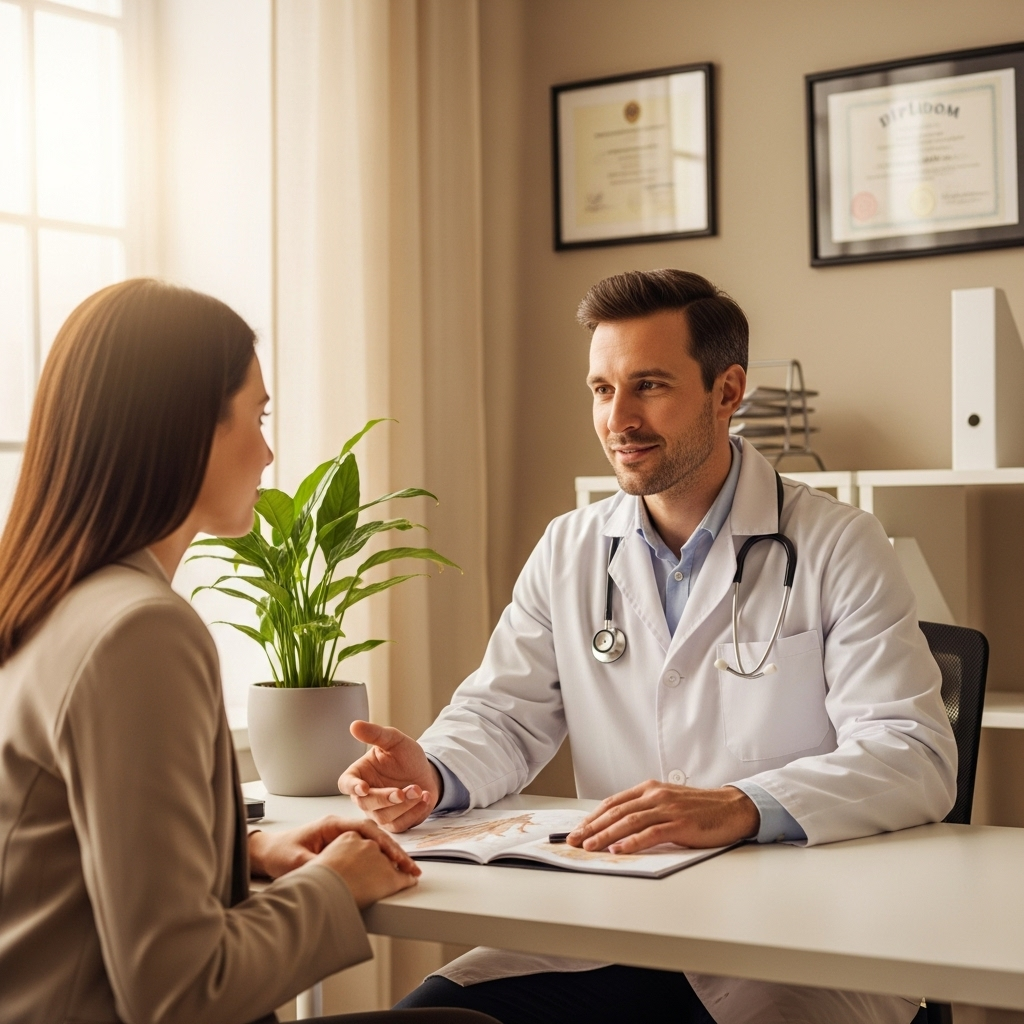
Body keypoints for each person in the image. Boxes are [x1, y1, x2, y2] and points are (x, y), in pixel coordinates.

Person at [339, 270, 958, 1024]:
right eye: (602, 389)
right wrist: (430, 774)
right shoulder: (570, 548)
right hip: (608, 928)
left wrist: (742, 806)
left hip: (795, 945)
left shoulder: (838, 545)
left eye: (650, 385)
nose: (618, 418)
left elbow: (913, 753)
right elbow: (503, 715)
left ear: (726, 392)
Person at [0, 279, 497, 1024]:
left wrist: (249, 851)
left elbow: (69, 854)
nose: (268, 452)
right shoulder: (139, 631)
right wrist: (337, 883)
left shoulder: (45, 602)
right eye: (257, 416)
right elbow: (179, 992)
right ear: (184, 427)